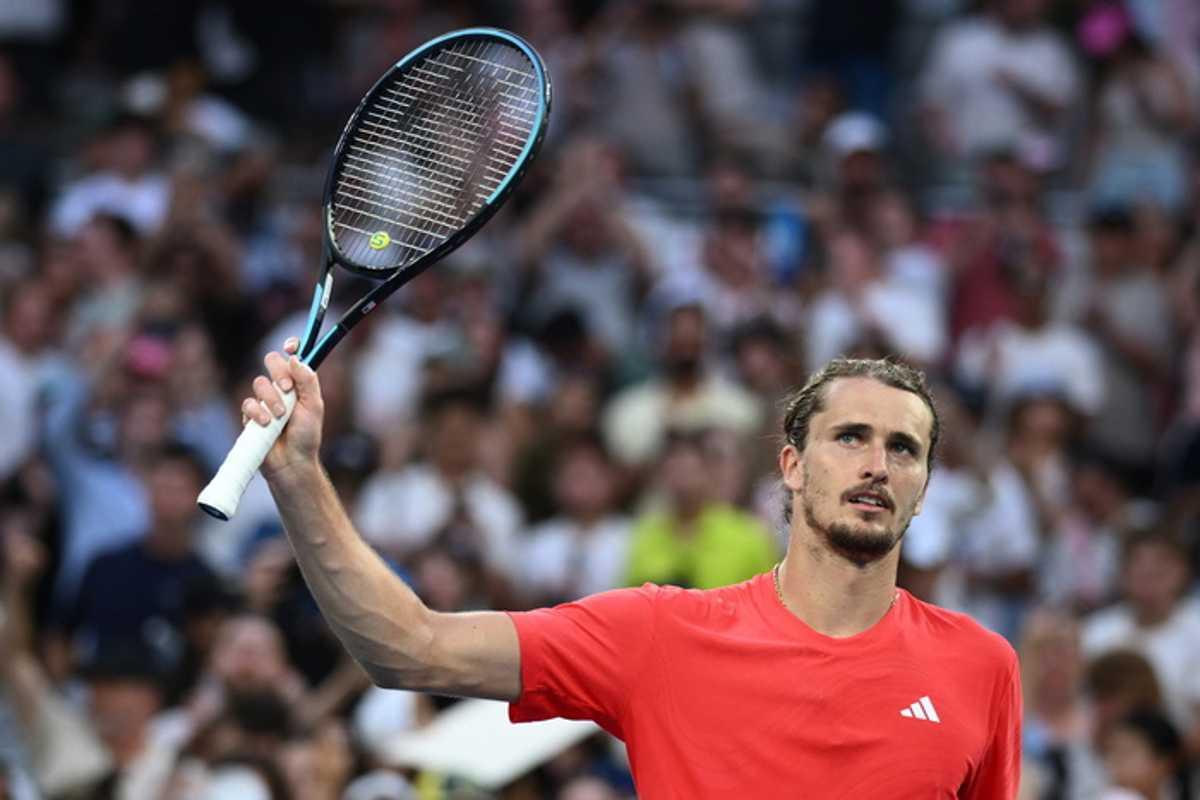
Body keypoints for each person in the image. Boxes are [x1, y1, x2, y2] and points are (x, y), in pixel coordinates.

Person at [238, 346, 1022, 796]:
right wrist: (301, 479)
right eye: (850, 437)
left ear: (924, 487)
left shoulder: (982, 666)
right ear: (790, 465)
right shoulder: (661, 635)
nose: (878, 466)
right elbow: (410, 647)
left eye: (904, 449)